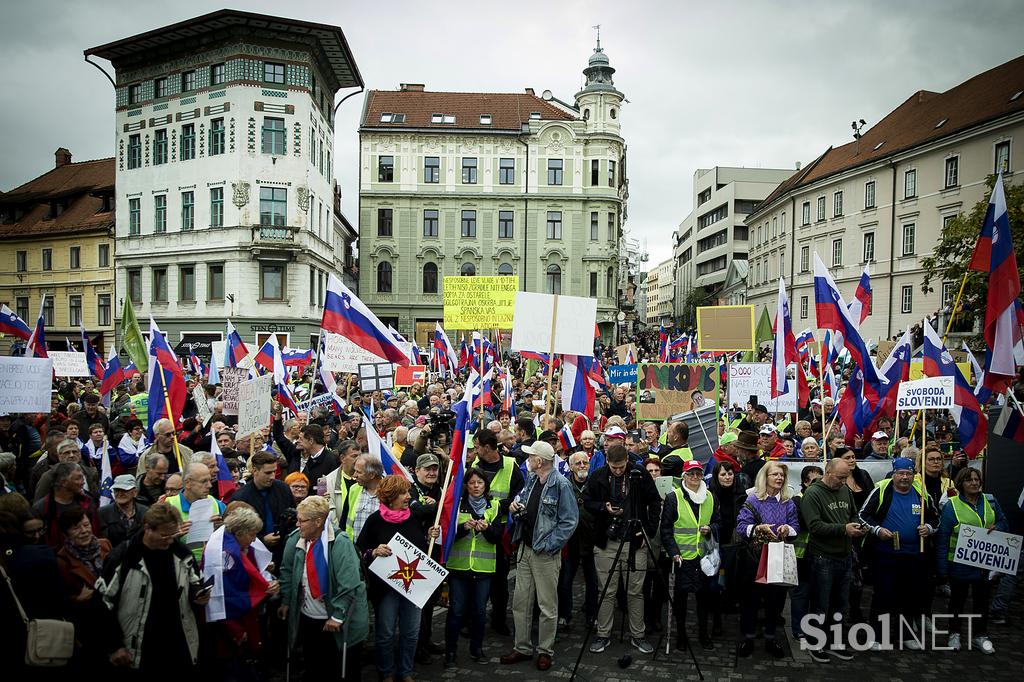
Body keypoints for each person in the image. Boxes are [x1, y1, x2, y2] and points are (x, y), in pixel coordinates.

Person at [96, 503, 208, 675]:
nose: (170, 540)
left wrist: (197, 594)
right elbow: (102, 603)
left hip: (177, 644)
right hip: (140, 646)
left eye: (173, 535)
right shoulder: (124, 558)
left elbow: (195, 582)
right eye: (164, 536)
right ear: (148, 528)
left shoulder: (182, 554)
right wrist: (115, 645)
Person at [500, 440, 579, 671]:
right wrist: (516, 506)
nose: (527, 460)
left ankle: (545, 650)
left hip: (544, 553)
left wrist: (550, 544)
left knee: (547, 605)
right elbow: (524, 501)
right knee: (521, 602)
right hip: (525, 548)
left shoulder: (561, 484)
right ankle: (522, 647)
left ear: (540, 461)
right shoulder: (532, 478)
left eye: (530, 456)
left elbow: (569, 521)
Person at [357, 475, 440, 682]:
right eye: (403, 493)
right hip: (385, 590)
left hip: (413, 586)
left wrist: (429, 535)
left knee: (411, 632)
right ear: (390, 497)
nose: (408, 497)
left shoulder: (414, 517)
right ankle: (386, 672)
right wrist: (374, 552)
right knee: (385, 633)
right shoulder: (374, 520)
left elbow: (420, 548)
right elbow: (360, 551)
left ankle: (406, 671)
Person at [279, 495, 368, 682]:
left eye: (302, 520)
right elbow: (287, 572)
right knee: (314, 667)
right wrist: (286, 600)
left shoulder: (339, 543)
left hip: (336, 619)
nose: (297, 524)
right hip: (308, 617)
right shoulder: (296, 540)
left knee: (340, 668)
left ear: (319, 521)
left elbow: (349, 583)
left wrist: (337, 615)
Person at [584, 443, 661, 656]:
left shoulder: (639, 475)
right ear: (607, 462)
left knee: (635, 591)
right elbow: (587, 501)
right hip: (606, 541)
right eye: (614, 467)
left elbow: (655, 502)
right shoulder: (599, 475)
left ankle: (638, 635)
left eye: (621, 467)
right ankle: (603, 633)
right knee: (606, 591)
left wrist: (648, 531)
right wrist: (603, 507)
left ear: (628, 460)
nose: (618, 471)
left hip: (635, 541)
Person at [859, 457, 938, 649]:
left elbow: (936, 518)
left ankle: (907, 636)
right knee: (883, 595)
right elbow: (862, 515)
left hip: (914, 554)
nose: (904, 477)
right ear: (893, 474)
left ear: (914, 475)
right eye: (900, 473)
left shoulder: (922, 493)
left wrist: (928, 528)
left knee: (911, 596)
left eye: (908, 474)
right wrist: (877, 530)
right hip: (886, 553)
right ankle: (878, 636)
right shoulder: (882, 490)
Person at [935, 467, 1007, 654]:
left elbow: (1003, 522)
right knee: (957, 601)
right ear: (961, 483)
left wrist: (997, 526)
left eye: (976, 479)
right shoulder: (952, 506)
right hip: (958, 564)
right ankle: (954, 633)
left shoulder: (990, 500)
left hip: (985, 564)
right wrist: (942, 569)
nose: (974, 483)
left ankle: (980, 636)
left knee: (982, 601)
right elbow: (943, 538)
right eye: (969, 480)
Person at [202, 506, 278, 682]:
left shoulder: (230, 545)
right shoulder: (226, 555)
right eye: (252, 535)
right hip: (229, 625)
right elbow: (220, 595)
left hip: (238, 619)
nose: (253, 540)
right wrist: (235, 630)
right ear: (240, 533)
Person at [801, 458, 866, 663]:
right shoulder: (813, 494)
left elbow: (853, 512)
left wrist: (855, 524)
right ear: (828, 473)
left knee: (840, 604)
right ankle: (815, 642)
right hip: (823, 557)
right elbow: (814, 526)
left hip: (844, 555)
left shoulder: (845, 490)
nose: (843, 481)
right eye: (840, 477)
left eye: (846, 477)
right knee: (821, 603)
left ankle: (836, 642)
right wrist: (843, 529)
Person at [735, 461, 800, 658]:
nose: (779, 478)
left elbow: (796, 527)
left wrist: (786, 529)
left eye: (781, 475)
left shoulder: (789, 502)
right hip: (755, 558)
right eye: (775, 475)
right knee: (752, 600)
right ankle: (748, 637)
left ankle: (771, 637)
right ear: (766, 477)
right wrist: (756, 529)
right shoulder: (753, 500)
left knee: (776, 600)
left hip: (779, 557)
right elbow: (741, 527)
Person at [445, 467, 504, 666]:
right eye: (471, 483)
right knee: (456, 611)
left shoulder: (494, 506)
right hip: (459, 567)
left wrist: (486, 529)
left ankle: (476, 649)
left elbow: (497, 537)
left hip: (483, 568)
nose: (476, 486)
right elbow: (449, 536)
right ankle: (450, 651)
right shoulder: (457, 505)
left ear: (485, 485)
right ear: (466, 485)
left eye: (479, 483)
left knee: (479, 611)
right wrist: (463, 528)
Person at [661, 459, 719, 651]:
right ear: (684, 476)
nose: (695, 477)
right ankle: (681, 635)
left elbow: (719, 522)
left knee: (704, 599)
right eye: (691, 474)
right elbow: (666, 529)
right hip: (682, 558)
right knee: (681, 600)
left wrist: (710, 528)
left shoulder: (710, 496)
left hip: (704, 557)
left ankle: (703, 634)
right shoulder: (673, 497)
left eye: (698, 474)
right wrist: (673, 552)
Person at [472, 427, 523, 635]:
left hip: (501, 529)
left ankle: (499, 619)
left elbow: (520, 495)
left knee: (500, 580)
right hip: (478, 527)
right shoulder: (475, 465)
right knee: (476, 576)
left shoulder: (511, 465)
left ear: (487, 447)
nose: (474, 451)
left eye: (477, 447)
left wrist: (499, 507)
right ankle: (474, 619)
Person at [558, 451, 597, 630]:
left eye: (585, 463)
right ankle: (565, 614)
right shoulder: (564, 485)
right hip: (570, 541)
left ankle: (591, 614)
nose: (582, 466)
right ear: (571, 466)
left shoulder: (595, 484)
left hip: (591, 540)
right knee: (565, 581)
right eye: (578, 463)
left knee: (592, 581)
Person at [232, 451, 294, 564]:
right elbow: (237, 533)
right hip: (254, 555)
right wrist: (262, 539)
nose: (272, 476)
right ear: (255, 471)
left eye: (274, 472)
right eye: (268, 473)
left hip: (284, 552)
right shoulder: (241, 498)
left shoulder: (283, 489)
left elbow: (293, 519)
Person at [709, 460, 747, 631]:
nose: (727, 477)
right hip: (715, 542)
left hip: (733, 542)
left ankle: (729, 603)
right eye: (723, 474)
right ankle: (716, 616)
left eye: (730, 473)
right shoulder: (710, 494)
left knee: (731, 577)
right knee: (715, 580)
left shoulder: (741, 494)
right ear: (717, 476)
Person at [166, 462, 226, 561]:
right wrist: (175, 535)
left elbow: (232, 530)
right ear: (188, 483)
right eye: (204, 481)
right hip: (184, 567)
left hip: (211, 565)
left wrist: (221, 528)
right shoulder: (169, 505)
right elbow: (156, 543)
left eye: (210, 480)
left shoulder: (214, 502)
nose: (210, 485)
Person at [790, 465, 823, 640]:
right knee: (801, 593)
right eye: (814, 481)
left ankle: (815, 628)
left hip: (822, 554)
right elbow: (801, 525)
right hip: (802, 555)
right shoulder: (797, 500)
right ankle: (798, 628)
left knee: (819, 594)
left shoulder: (825, 498)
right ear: (805, 482)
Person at [32, 462, 99, 547]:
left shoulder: (87, 502)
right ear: (63, 482)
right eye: (78, 479)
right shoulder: (42, 509)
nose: (83, 483)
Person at [99, 474, 150, 547]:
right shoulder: (103, 513)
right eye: (117, 490)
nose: (120, 494)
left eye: (124, 490)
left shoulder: (145, 512)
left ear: (135, 492)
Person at [342, 454, 384, 540]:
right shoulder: (354, 489)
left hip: (379, 550)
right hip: (353, 549)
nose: (354, 475)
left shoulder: (389, 492)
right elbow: (344, 520)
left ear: (372, 475)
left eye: (359, 472)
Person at [915, 445, 954, 510]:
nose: (936, 462)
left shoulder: (949, 482)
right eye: (931, 459)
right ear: (923, 462)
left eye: (939, 459)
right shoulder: (915, 481)